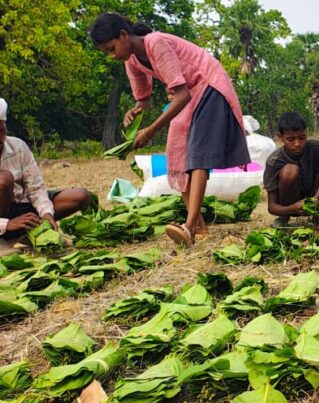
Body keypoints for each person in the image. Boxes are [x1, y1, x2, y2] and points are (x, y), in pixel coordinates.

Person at [91, 13, 250, 248]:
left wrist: (151, 130)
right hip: (189, 94)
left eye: (111, 48)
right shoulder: (132, 61)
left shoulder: (155, 42)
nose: (112, 55)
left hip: (207, 84)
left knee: (197, 152)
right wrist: (135, 112)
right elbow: (144, 101)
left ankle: (188, 226)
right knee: (176, 153)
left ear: (124, 35)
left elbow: (182, 94)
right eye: (107, 52)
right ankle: (200, 227)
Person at [0, 98, 92, 240]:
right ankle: (7, 232)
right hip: (3, 218)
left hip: (22, 206)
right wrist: (8, 224)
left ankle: (27, 227)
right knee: (4, 180)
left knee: (80, 196)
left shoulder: (18, 147)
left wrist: (46, 214)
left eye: (0, 129)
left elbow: (35, 188)